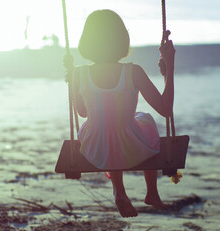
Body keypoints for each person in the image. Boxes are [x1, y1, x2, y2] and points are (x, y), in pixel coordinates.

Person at [68, 9, 175, 218]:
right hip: (130, 145)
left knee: (108, 131)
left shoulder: (78, 74)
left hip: (94, 146)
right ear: (121, 39)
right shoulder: (133, 72)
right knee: (145, 120)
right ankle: (152, 192)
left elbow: (82, 113)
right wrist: (169, 67)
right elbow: (165, 109)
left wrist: (72, 83)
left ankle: (119, 190)